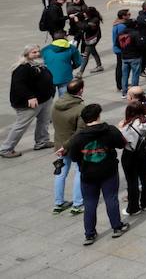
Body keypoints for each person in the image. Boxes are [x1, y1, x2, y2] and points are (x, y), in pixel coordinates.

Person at [60, 104, 129, 245]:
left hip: (88, 174)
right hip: (108, 171)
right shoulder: (110, 130)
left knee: (90, 202)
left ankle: (90, 234)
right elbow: (122, 144)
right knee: (111, 198)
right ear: (98, 116)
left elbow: (73, 157)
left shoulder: (78, 137)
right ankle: (117, 227)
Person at [2, 44, 56, 158]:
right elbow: (19, 85)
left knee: (44, 121)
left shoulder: (38, 64)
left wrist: (50, 92)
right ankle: (6, 149)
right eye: (34, 52)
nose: (37, 54)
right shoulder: (22, 67)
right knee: (21, 126)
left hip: (45, 99)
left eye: (38, 52)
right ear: (27, 54)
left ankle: (42, 142)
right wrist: (30, 97)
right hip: (30, 103)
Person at [51, 77, 86, 214]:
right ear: (81, 90)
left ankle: (58, 203)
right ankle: (77, 204)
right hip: (73, 146)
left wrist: (61, 145)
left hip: (59, 144)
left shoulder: (57, 104)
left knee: (60, 173)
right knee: (79, 172)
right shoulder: (80, 108)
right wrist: (66, 145)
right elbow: (80, 132)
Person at [118, 100, 146, 215]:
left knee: (132, 181)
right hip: (145, 152)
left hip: (130, 154)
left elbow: (122, 142)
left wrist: (120, 127)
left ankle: (133, 208)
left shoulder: (128, 126)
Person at [41, 33, 82, 98]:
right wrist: (71, 67)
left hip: (49, 78)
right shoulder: (71, 48)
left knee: (48, 99)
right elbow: (78, 62)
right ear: (65, 38)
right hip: (65, 76)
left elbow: (40, 62)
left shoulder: (45, 49)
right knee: (64, 99)